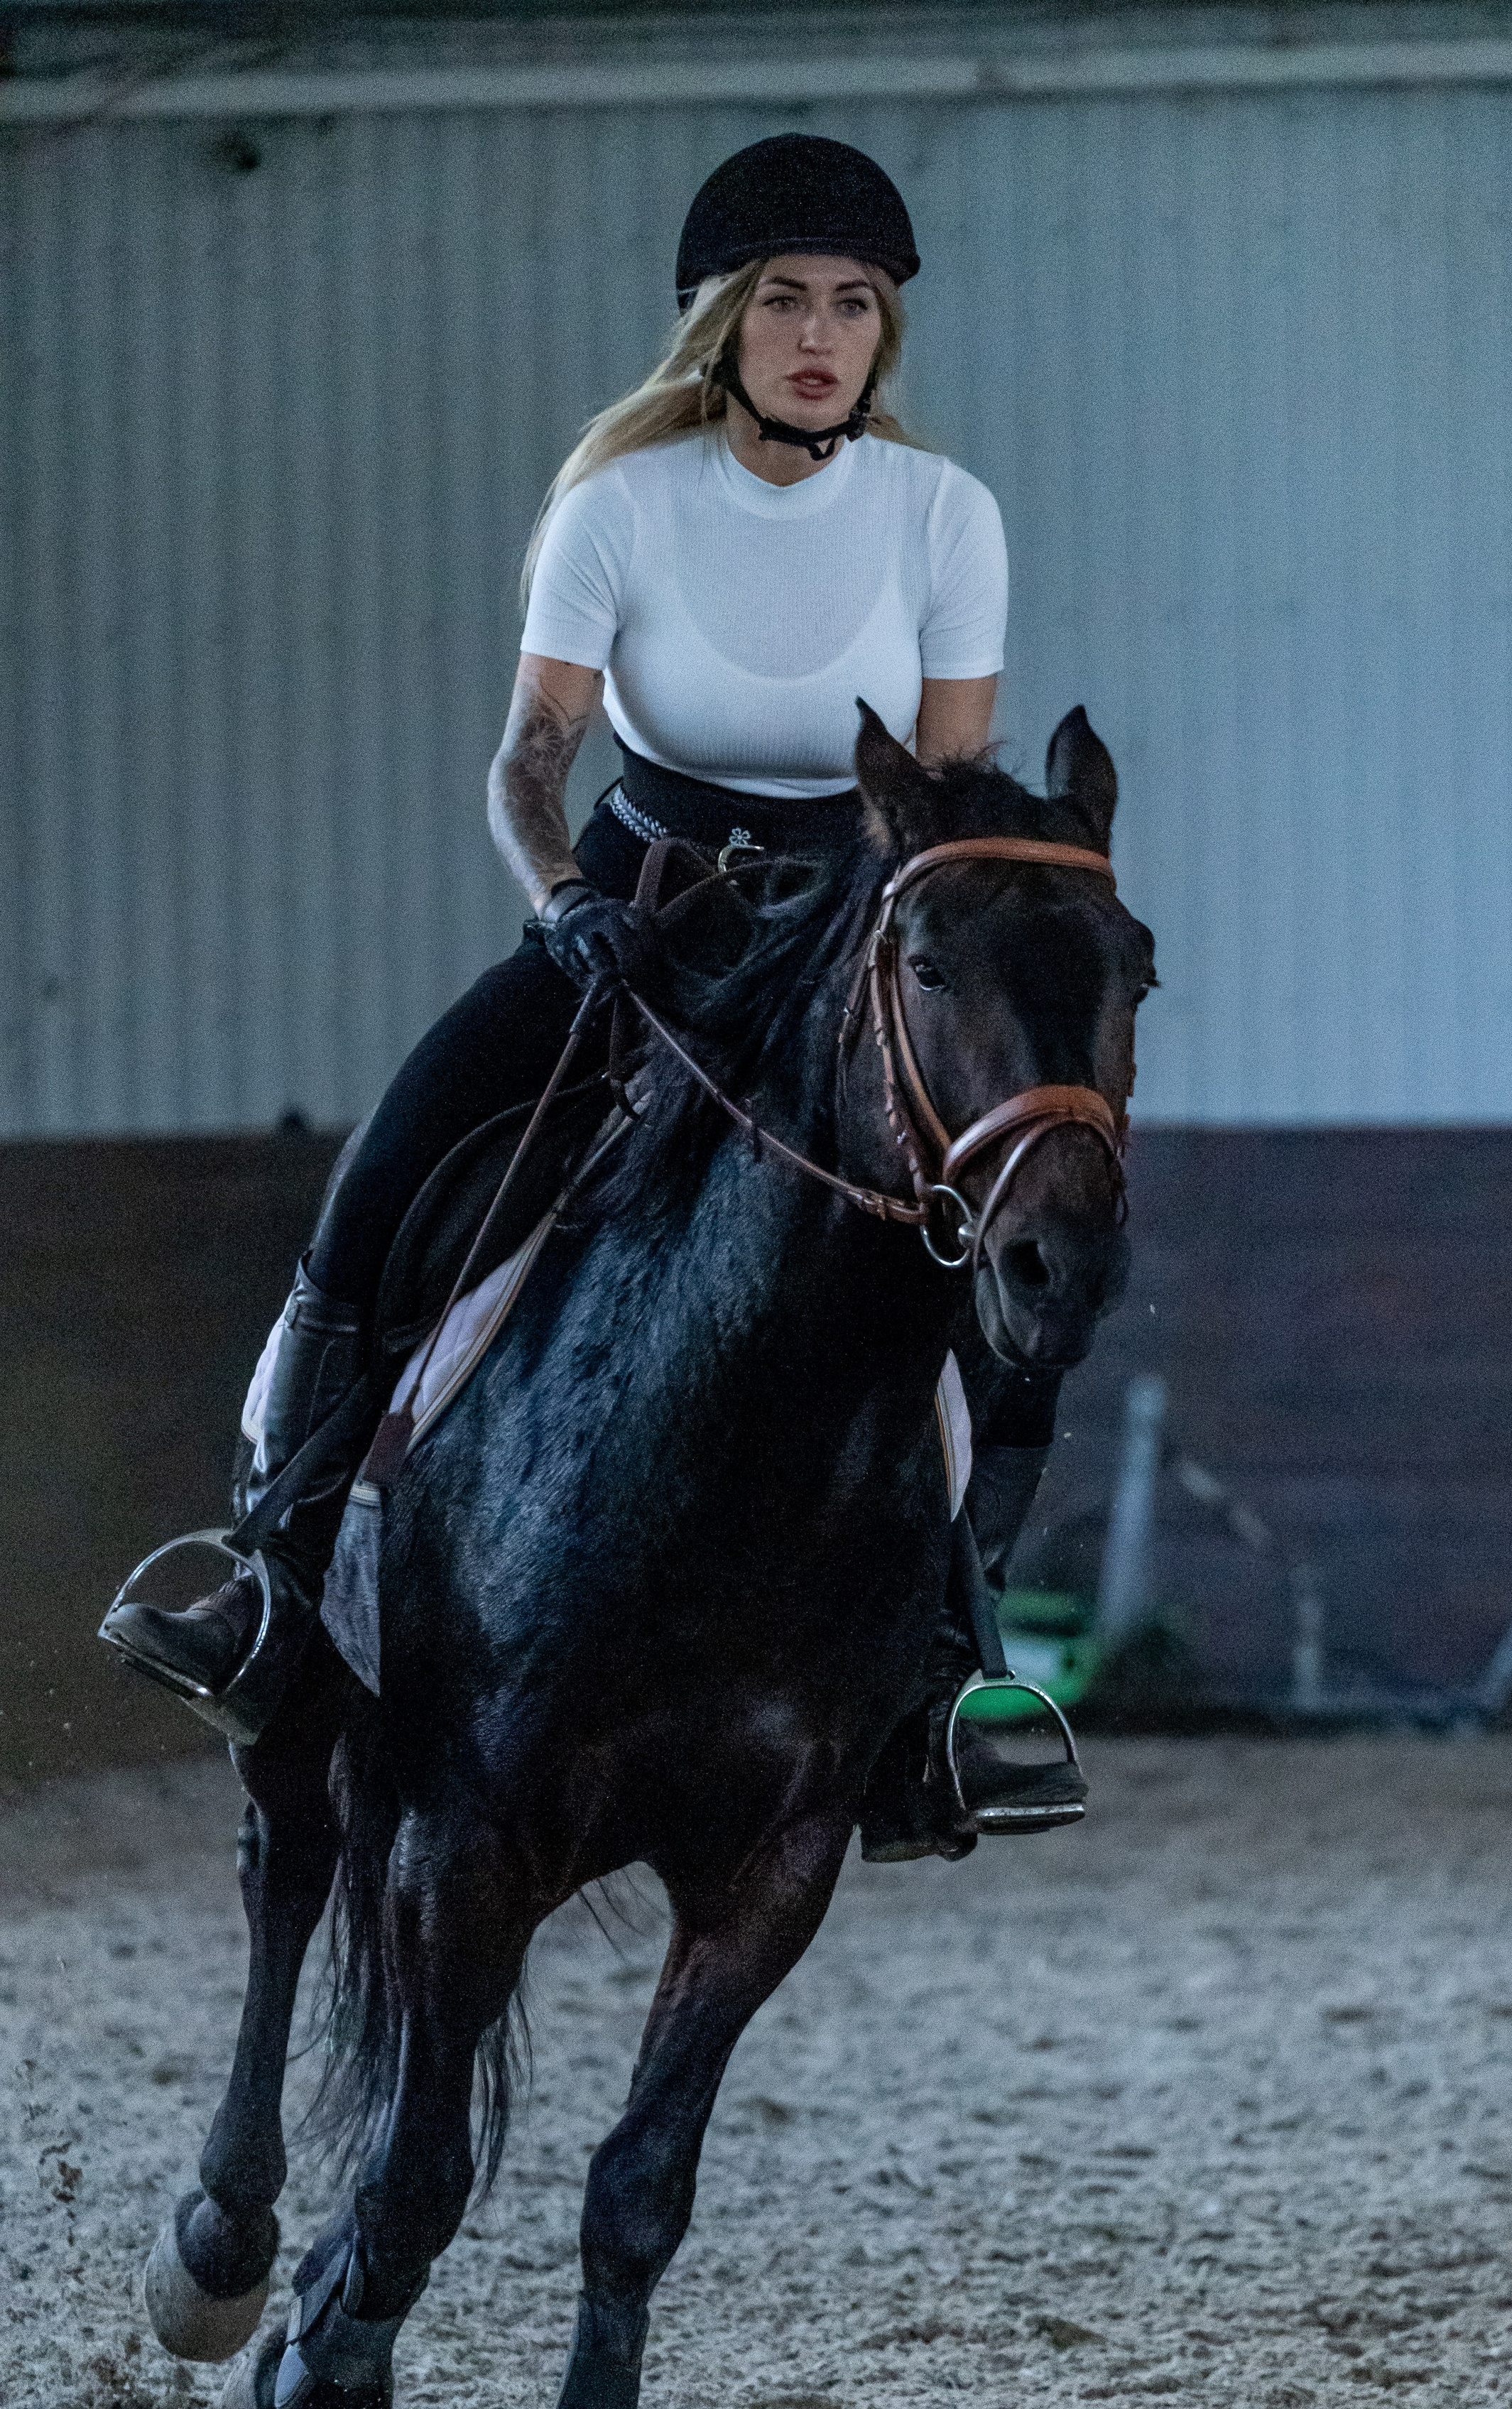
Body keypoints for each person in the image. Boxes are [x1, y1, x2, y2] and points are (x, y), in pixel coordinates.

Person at [103, 132, 1082, 1855]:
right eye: (782, 297)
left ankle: (954, 1676)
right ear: (720, 322)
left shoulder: (947, 514)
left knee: (987, 1243)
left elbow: (940, 797)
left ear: (880, 337)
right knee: (392, 1171)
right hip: (636, 912)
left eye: (850, 305)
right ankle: (269, 1580)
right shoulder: (616, 504)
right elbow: (524, 764)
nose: (815, 331)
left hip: (847, 944)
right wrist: (565, 910)